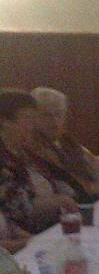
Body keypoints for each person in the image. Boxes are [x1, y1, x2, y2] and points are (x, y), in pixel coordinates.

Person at [0, 90, 79, 233]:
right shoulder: (4, 159)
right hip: (20, 235)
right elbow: (17, 209)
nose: (32, 125)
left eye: (33, 118)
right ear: (4, 121)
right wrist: (61, 200)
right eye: (27, 118)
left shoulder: (21, 152)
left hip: (44, 226)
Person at [26, 87, 99, 201]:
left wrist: (94, 166)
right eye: (46, 115)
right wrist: (91, 186)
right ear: (33, 117)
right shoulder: (31, 145)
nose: (54, 121)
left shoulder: (65, 140)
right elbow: (60, 188)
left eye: (58, 114)